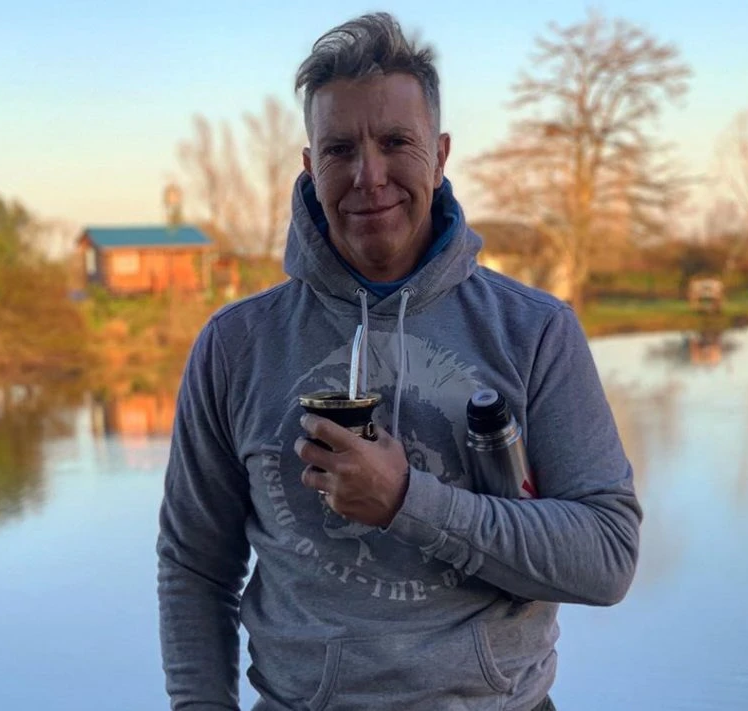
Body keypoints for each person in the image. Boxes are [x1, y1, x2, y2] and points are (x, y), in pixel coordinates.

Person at [157, 12, 641, 711]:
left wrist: (408, 500)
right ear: (310, 167)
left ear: (440, 157)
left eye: (395, 143)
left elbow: (608, 557)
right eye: (340, 149)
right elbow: (195, 567)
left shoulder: (536, 331)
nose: (369, 175)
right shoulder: (236, 345)